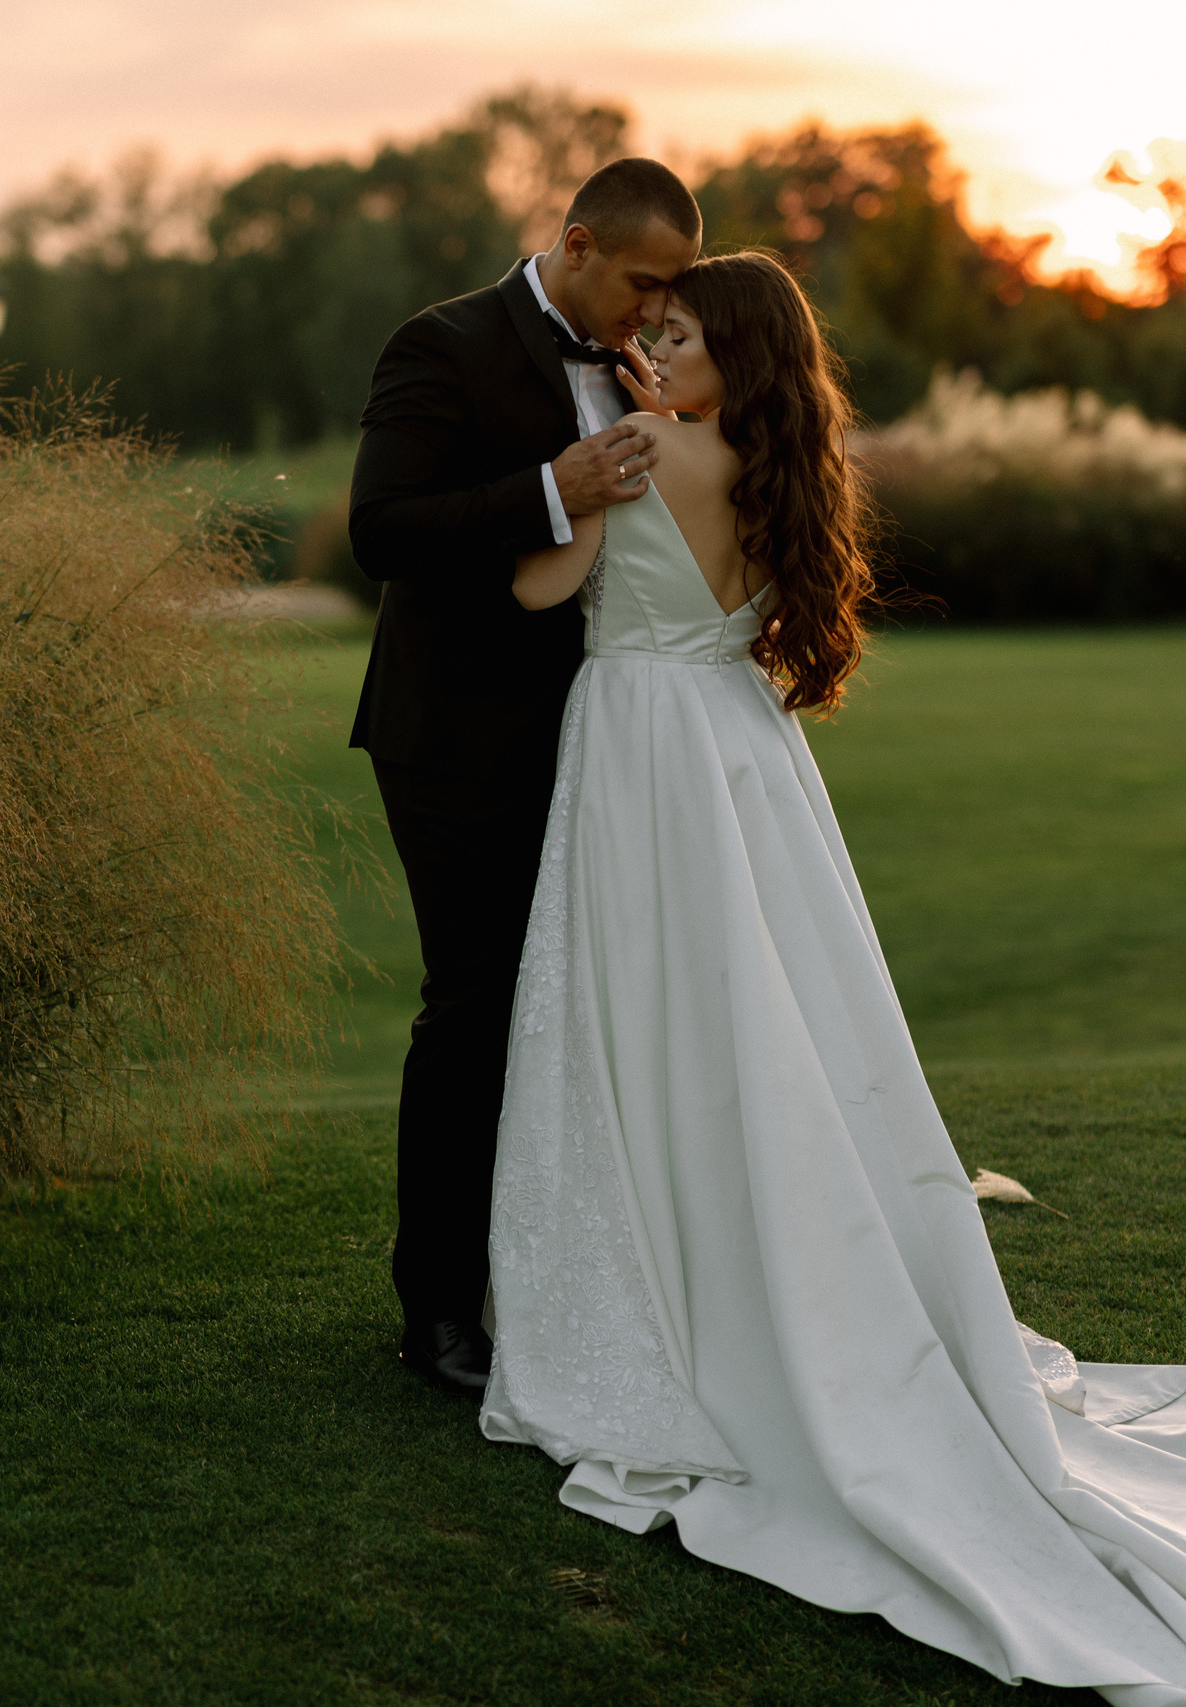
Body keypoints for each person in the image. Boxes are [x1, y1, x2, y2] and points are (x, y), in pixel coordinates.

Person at [482, 248, 1186, 1704]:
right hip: (745, 758)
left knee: (654, 1017)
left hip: (640, 752)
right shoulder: (780, 463)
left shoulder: (640, 452)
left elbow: (535, 583)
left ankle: (669, 1291)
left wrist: (585, 470)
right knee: (765, 1016)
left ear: (726, 354)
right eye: (650, 328)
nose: (652, 346)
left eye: (678, 332)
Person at [347, 158, 702, 1394]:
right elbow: (379, 529)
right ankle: (436, 1311)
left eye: (673, 295)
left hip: (598, 733)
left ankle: (553, 1283)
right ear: (578, 239)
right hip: (451, 731)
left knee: (576, 1004)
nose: (656, 310)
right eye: (644, 282)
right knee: (476, 1006)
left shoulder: (628, 364)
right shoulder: (438, 343)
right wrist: (552, 488)